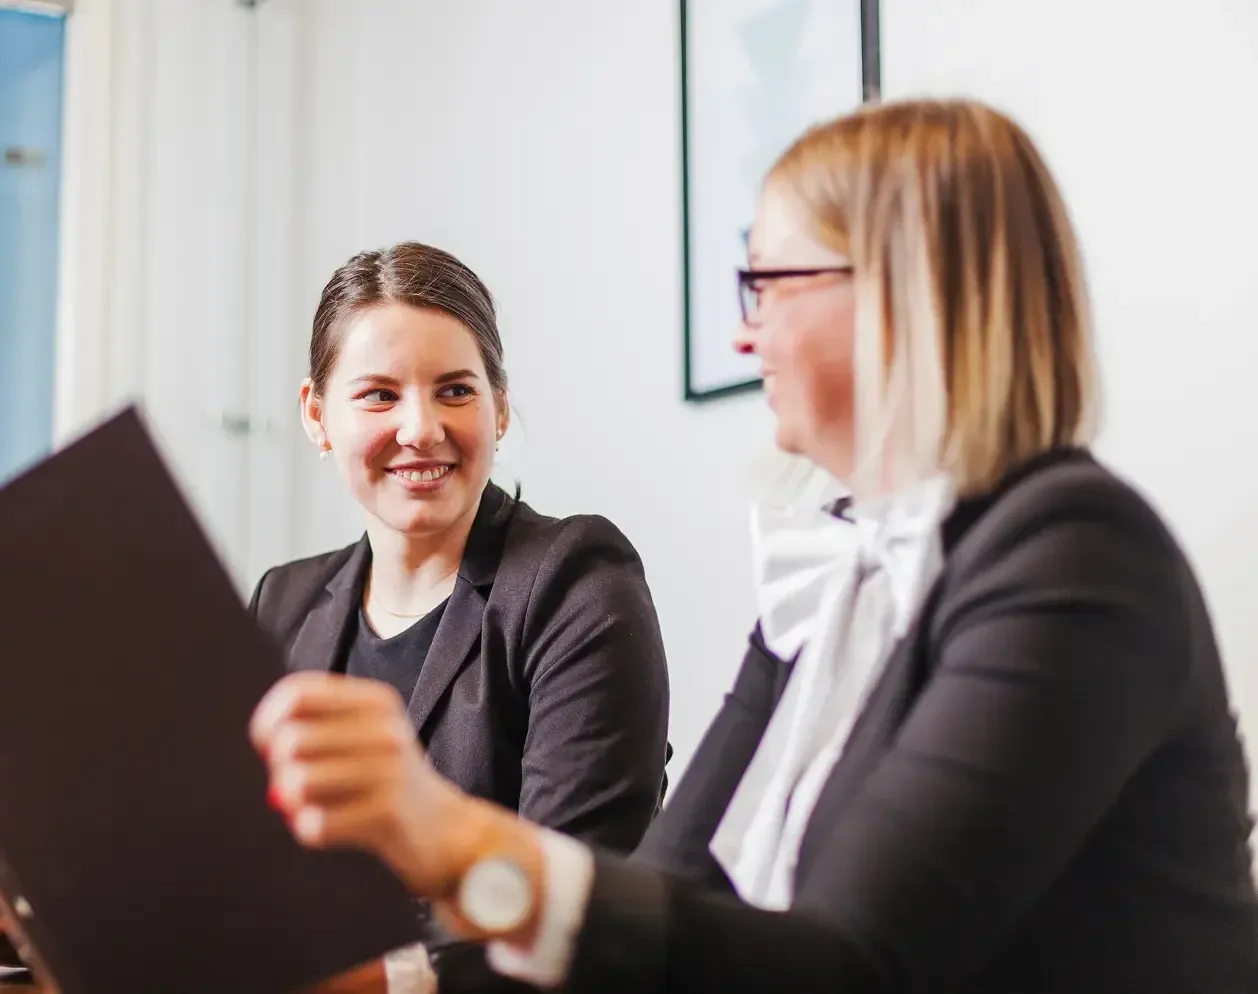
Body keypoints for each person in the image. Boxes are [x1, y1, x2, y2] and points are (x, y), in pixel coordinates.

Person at [251, 99, 1258, 992]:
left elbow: (852, 965)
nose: (745, 335)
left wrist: (458, 847)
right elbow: (660, 898)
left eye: (767, 282)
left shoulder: (1077, 557)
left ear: (905, 295)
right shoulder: (831, 565)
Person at [0, 242, 672, 993]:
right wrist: (32, 935)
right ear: (318, 416)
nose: (420, 427)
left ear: (498, 407)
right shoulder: (284, 603)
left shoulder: (574, 581)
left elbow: (575, 906)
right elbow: (216, 880)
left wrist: (372, 979)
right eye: (380, 395)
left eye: (454, 390)